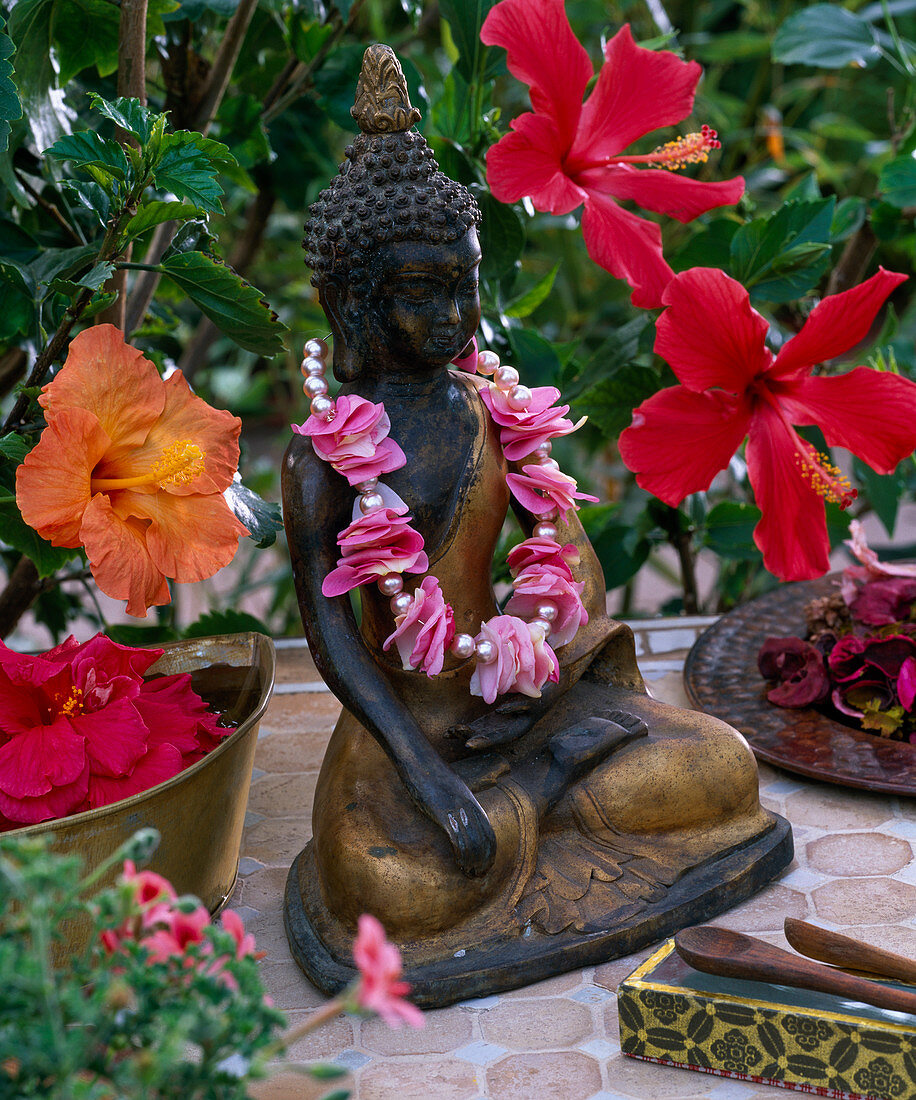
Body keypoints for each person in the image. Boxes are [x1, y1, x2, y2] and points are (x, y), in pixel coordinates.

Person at [282, 45, 790, 1002]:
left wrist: (540, 651)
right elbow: (336, 646)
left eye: (464, 285)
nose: (453, 314)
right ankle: (549, 785)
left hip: (517, 696)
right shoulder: (323, 457)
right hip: (405, 734)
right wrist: (431, 784)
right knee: (385, 886)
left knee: (721, 766)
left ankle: (543, 777)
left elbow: (567, 552)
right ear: (351, 299)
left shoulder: (487, 406)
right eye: (421, 291)